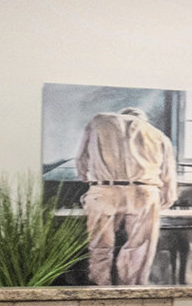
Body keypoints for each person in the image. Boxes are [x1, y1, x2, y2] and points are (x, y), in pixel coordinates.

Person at [74, 107, 178, 286]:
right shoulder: (158, 135)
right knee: (138, 249)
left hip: (104, 191)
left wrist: (86, 178)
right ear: (143, 119)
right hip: (143, 193)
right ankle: (130, 291)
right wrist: (169, 196)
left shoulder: (98, 121)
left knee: (99, 247)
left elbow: (81, 159)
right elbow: (168, 173)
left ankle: (101, 290)